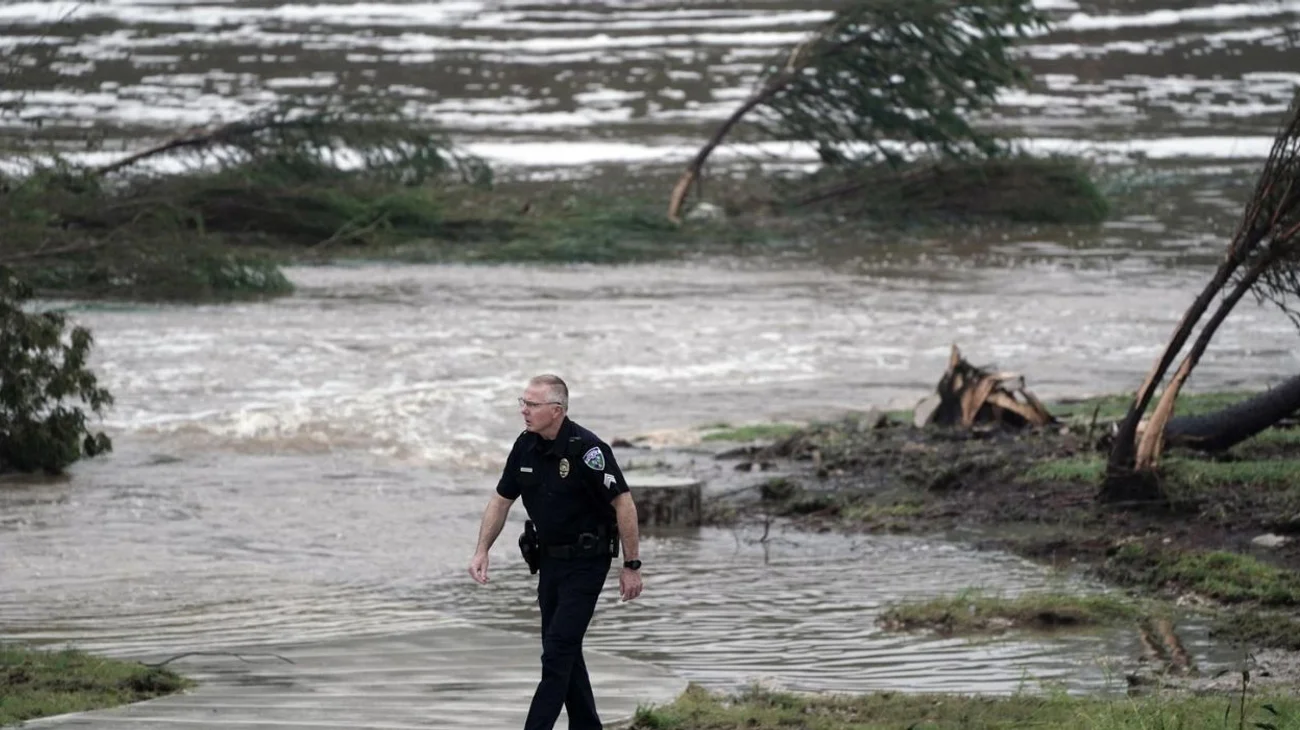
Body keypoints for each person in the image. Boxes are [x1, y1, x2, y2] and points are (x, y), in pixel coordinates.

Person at [468, 374, 643, 730]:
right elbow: (501, 500)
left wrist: (631, 564)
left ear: (557, 410)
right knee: (564, 650)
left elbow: (624, 503)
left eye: (532, 405)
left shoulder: (588, 450)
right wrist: (482, 550)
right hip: (549, 562)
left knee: (557, 653)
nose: (524, 410)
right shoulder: (525, 446)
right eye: (523, 402)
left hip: (587, 562)